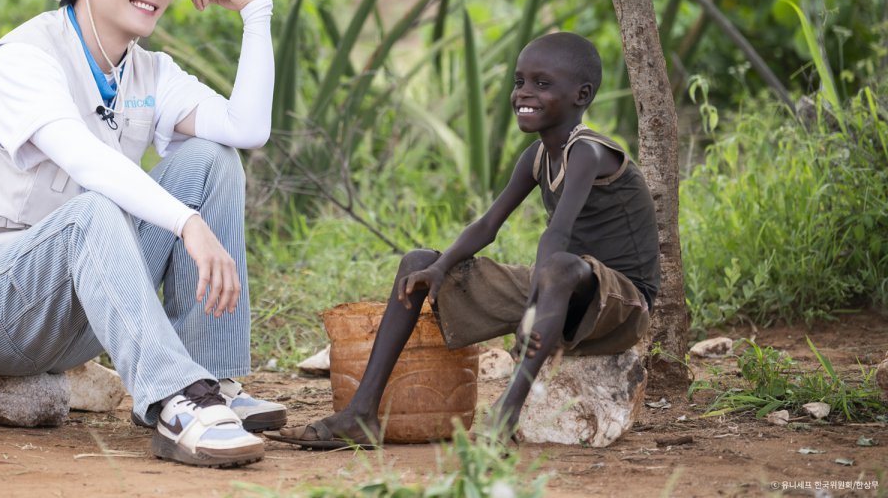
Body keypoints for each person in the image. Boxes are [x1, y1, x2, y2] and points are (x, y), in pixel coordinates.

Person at [0, 0, 286, 468]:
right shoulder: (24, 57)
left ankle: (210, 382)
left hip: (85, 306)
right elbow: (84, 160)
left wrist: (256, 14)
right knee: (94, 209)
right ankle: (174, 399)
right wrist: (187, 223)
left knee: (212, 158)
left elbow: (248, 129)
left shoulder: (147, 71)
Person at [271, 32, 659, 448]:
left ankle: (505, 418)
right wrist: (441, 267)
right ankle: (360, 414)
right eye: (519, 82)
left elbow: (558, 233)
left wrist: (533, 310)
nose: (524, 93)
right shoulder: (536, 157)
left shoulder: (589, 152)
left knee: (558, 265)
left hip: (621, 302)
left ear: (582, 95)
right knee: (418, 263)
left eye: (542, 84)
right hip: (562, 288)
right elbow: (488, 225)